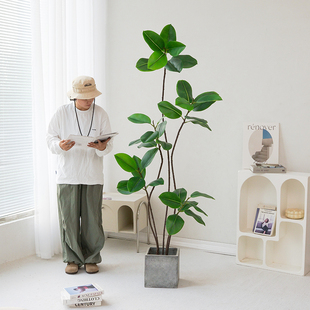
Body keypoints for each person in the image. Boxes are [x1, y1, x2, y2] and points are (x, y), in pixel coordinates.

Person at [46, 76, 113, 274]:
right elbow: (50, 139)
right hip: (68, 175)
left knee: (93, 219)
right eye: (85, 97)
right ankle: (72, 259)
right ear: (74, 96)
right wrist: (60, 145)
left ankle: (92, 257)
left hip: (92, 175)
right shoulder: (62, 113)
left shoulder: (100, 114)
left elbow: (109, 144)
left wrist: (103, 146)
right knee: (69, 219)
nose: (89, 101)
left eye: (92, 97)